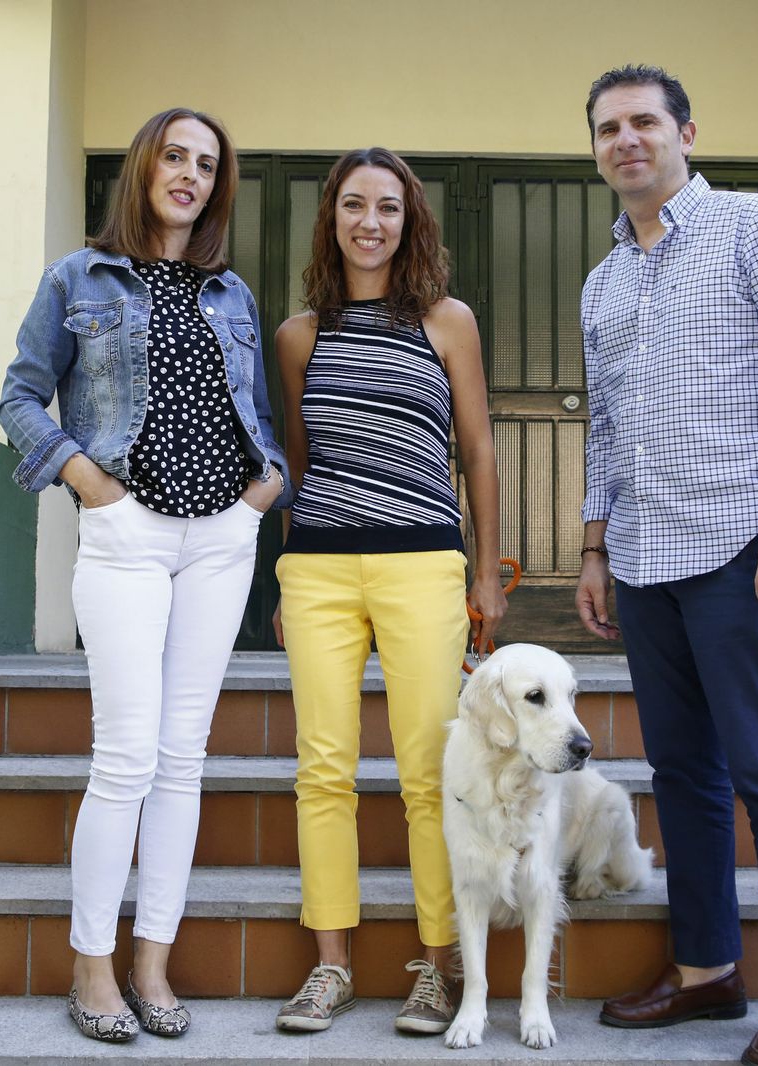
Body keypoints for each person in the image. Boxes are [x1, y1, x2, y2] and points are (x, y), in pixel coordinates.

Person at [574, 66, 758, 1066]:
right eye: (608, 128)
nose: (627, 140)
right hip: (645, 555)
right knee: (680, 771)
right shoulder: (601, 282)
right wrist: (595, 544)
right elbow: (605, 426)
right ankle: (705, 969)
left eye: (644, 121)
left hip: (746, 545)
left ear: (685, 130)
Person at [0, 107, 288, 1043]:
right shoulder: (79, 277)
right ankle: (92, 969)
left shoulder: (232, 293)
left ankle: (152, 965)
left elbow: (256, 419)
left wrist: (263, 492)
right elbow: (19, 394)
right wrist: (89, 483)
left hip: (219, 539)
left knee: (183, 760)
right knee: (123, 758)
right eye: (176, 156)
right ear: (144, 167)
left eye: (207, 165)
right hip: (126, 534)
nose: (191, 176)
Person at [269, 147, 506, 1036]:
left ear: (412, 223)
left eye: (390, 208)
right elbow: (300, 463)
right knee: (322, 769)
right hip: (322, 566)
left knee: (425, 773)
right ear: (331, 218)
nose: (371, 223)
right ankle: (330, 968)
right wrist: (290, 576)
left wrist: (486, 570)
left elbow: (477, 450)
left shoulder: (448, 321)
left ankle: (436, 968)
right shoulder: (301, 334)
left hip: (423, 564)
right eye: (355, 206)